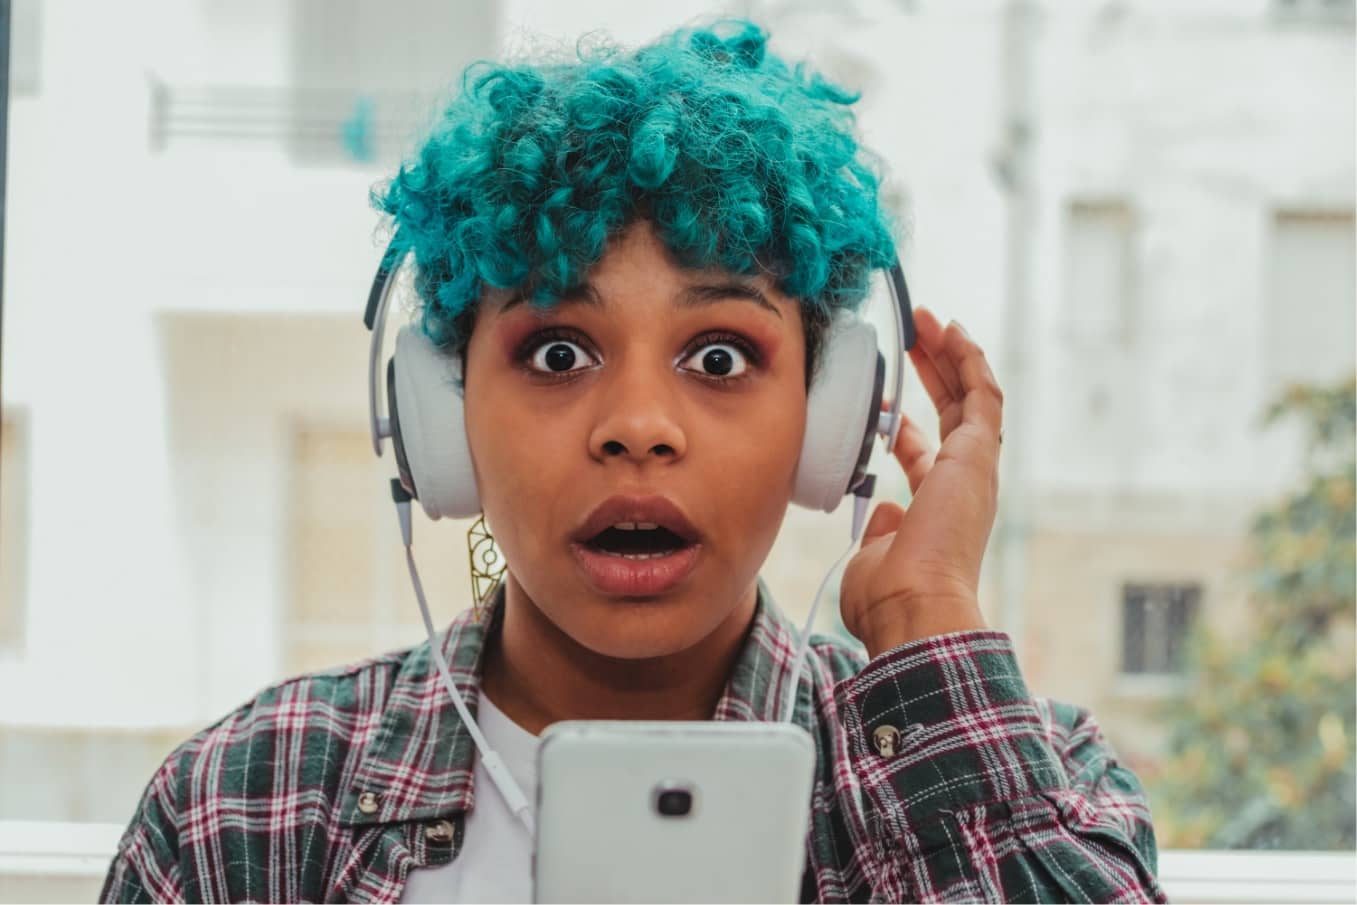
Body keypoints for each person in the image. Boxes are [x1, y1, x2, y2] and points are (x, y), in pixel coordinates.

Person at [100, 19, 1167, 904]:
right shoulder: (242, 802)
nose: (638, 426)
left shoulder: (1021, 775)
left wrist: (928, 612)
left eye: (719, 353)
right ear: (439, 411)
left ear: (833, 414)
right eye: (557, 350)